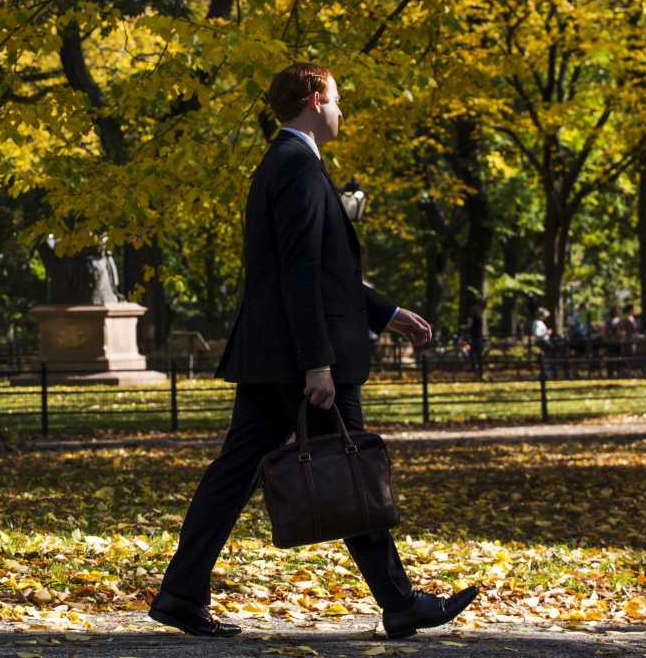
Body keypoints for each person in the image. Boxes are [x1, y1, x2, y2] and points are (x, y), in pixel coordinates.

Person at [149, 62, 478, 640]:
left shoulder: (288, 163)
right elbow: (299, 275)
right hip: (299, 359)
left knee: (241, 473)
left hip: (276, 353)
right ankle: (400, 603)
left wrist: (390, 314)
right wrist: (316, 363)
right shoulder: (298, 167)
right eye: (337, 98)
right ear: (313, 99)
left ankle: (180, 592)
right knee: (351, 468)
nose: (342, 109)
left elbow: (321, 274)